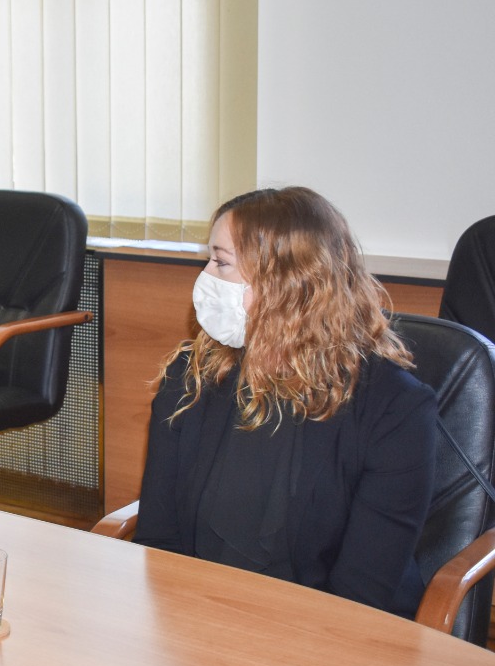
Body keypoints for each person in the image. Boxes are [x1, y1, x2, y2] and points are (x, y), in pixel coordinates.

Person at [135, 186, 436, 617]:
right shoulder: (192, 376)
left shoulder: (394, 408)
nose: (205, 277)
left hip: (331, 632)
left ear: (288, 283)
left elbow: (362, 595)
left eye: (221, 262)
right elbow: (159, 539)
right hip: (200, 617)